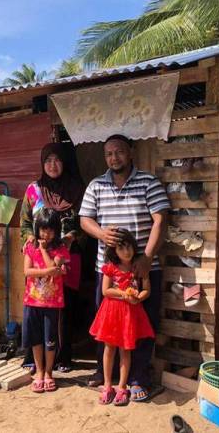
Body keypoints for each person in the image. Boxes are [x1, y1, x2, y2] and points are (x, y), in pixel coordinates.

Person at [79, 134, 170, 402]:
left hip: (141, 270)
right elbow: (85, 219)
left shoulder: (148, 182)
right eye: (108, 153)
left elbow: (160, 221)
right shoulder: (96, 185)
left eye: (119, 152)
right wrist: (100, 234)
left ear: (130, 152)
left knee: (141, 326)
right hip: (107, 272)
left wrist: (147, 257)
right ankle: (105, 375)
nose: (114, 158)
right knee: (107, 326)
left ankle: (139, 377)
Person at [20, 142, 84, 373]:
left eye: (57, 160)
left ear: (65, 162)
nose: (52, 165)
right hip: (38, 260)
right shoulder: (33, 190)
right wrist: (30, 238)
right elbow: (26, 223)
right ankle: (33, 360)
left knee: (63, 309)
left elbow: (84, 221)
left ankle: (63, 358)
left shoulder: (77, 189)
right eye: (48, 160)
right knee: (37, 307)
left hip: (67, 257)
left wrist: (70, 237)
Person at [89, 230, 154, 406]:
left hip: (131, 314)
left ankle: (122, 386)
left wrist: (138, 298)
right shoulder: (111, 267)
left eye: (129, 247)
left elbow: (146, 289)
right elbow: (105, 291)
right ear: (114, 251)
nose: (127, 251)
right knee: (109, 349)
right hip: (111, 313)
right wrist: (124, 294)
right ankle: (108, 385)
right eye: (121, 248)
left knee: (126, 350)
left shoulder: (138, 267)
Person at [22, 208, 70, 393]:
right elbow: (27, 271)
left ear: (57, 230)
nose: (45, 234)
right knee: (36, 339)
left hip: (53, 303)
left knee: (50, 339)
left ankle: (50, 372)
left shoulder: (61, 249)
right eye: (42, 229)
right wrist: (47, 272)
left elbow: (53, 266)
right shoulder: (29, 246)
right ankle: (40, 372)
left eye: (50, 230)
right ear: (37, 228)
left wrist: (42, 250)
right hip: (32, 301)